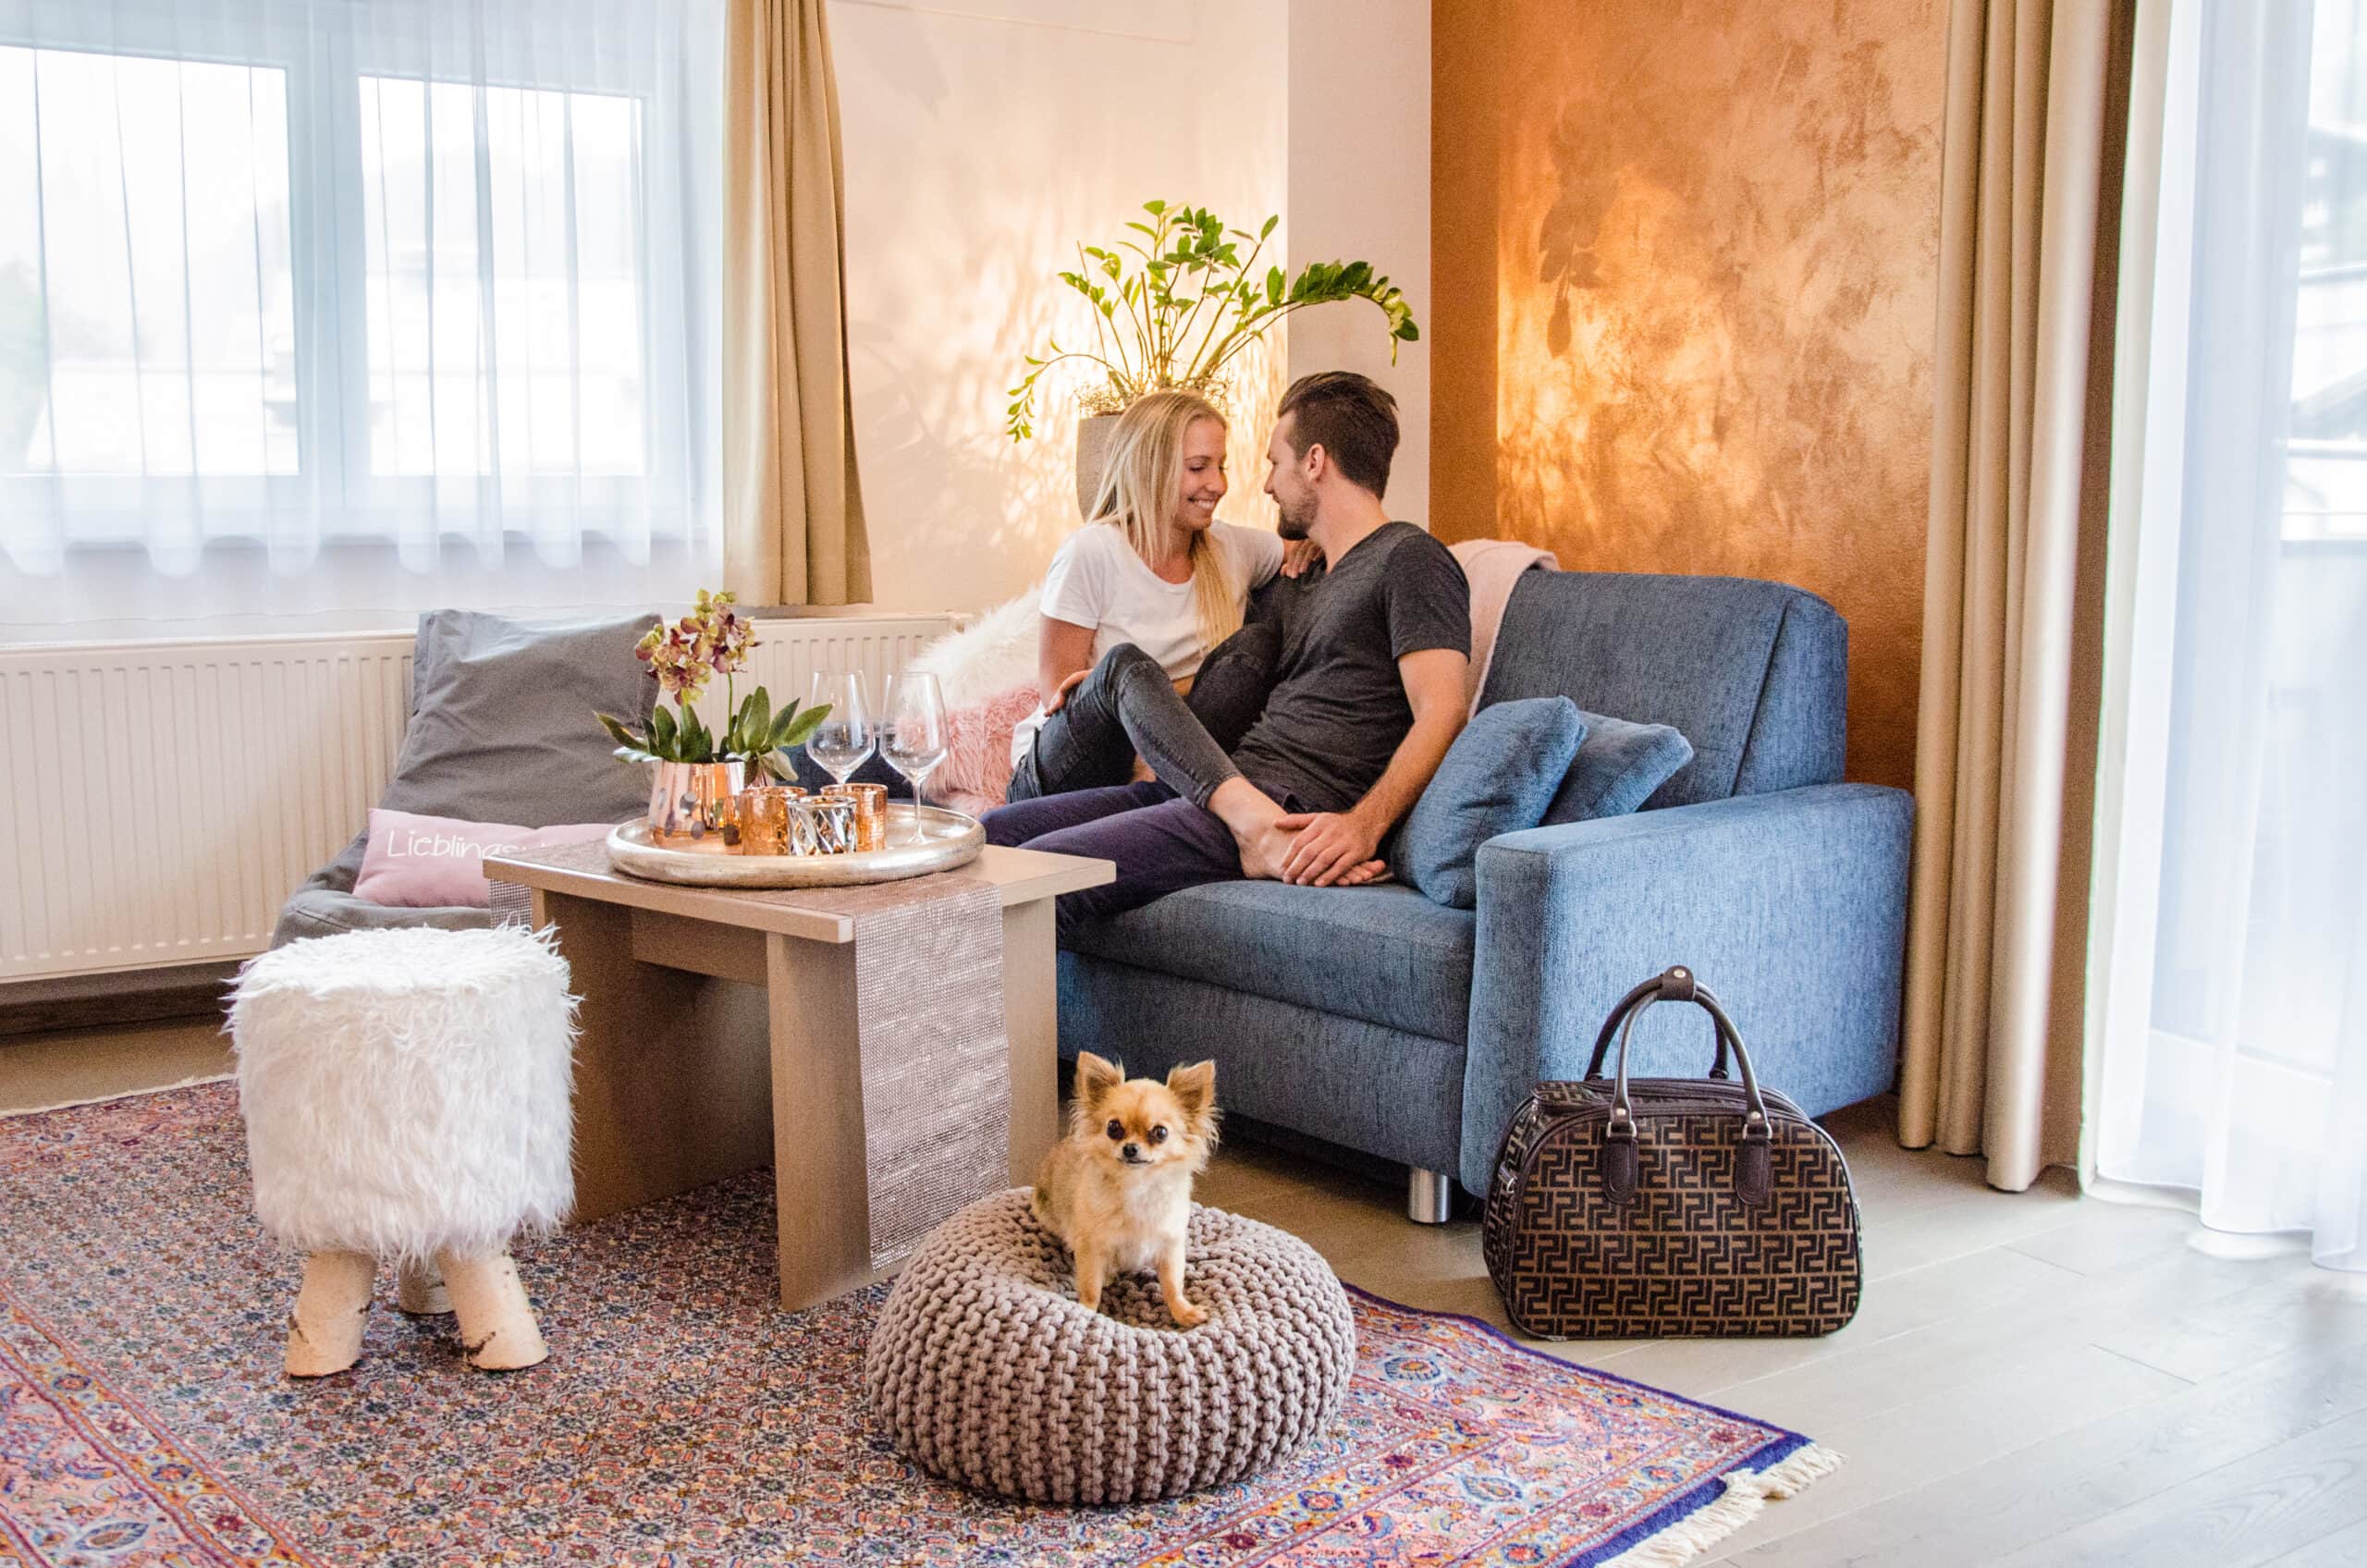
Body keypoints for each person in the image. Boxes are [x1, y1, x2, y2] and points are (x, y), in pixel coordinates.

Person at [984, 371, 1470, 928]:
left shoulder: (1411, 558)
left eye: (1274, 463)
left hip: (1287, 807)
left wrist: (1363, 826)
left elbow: (1444, 709)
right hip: (1215, 787)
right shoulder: (1301, 580)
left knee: (1032, 880)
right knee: (994, 837)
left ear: (1314, 462)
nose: (1265, 486)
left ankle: (1259, 834)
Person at [1006, 389, 1308, 806]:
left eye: (1220, 466)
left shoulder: (1233, 549)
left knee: (1256, 644)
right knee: (1124, 665)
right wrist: (1148, 696)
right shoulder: (1091, 552)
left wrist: (1310, 547)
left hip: (1173, 762)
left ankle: (1157, 795)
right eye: (1198, 467)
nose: (1218, 485)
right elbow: (1060, 696)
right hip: (1069, 765)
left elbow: (1316, 544)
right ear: (1149, 468)